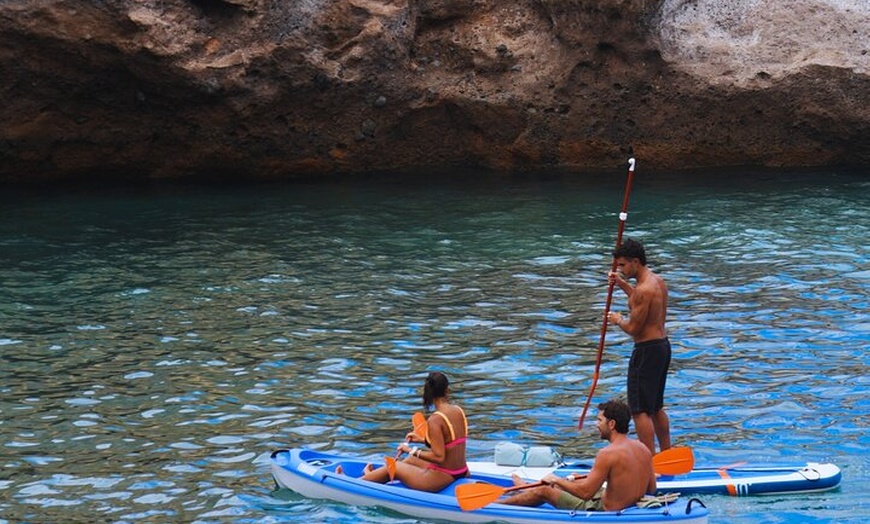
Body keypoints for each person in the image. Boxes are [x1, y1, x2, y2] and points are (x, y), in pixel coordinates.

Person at [503, 399, 655, 511]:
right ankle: (526, 490)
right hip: (626, 504)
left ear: (611, 424)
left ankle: (496, 505)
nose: (597, 425)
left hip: (603, 509)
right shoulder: (643, 448)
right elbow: (651, 489)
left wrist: (555, 479)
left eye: (599, 420)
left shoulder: (607, 453)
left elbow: (586, 494)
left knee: (545, 490)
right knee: (572, 480)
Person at [340, 371, 468, 492]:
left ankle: (355, 483)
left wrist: (410, 450)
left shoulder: (435, 419)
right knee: (411, 460)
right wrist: (422, 440)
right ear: (447, 390)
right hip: (461, 471)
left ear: (428, 393)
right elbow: (451, 441)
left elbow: (439, 457)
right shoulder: (458, 410)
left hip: (443, 476)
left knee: (395, 467)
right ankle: (373, 477)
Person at [606, 238, 671, 455]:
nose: (621, 270)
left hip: (646, 350)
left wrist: (618, 320)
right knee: (656, 406)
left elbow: (634, 327)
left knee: (639, 410)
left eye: (623, 265)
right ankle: (666, 453)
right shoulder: (657, 282)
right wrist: (622, 284)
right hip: (662, 347)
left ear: (635, 262)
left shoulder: (644, 289)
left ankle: (648, 460)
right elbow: (642, 302)